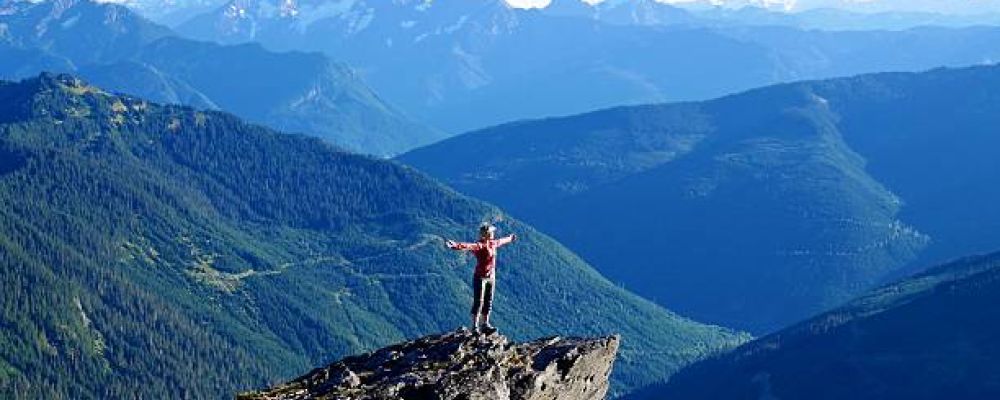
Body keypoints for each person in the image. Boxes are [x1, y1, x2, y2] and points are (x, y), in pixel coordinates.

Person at [446, 224, 517, 334]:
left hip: (491, 277)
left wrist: (510, 238)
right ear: (487, 234)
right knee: (478, 302)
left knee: (488, 301)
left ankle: (485, 324)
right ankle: (475, 326)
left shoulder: (493, 243)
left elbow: (502, 241)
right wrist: (455, 245)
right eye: (491, 232)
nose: (493, 233)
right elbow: (468, 246)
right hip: (480, 277)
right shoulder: (480, 246)